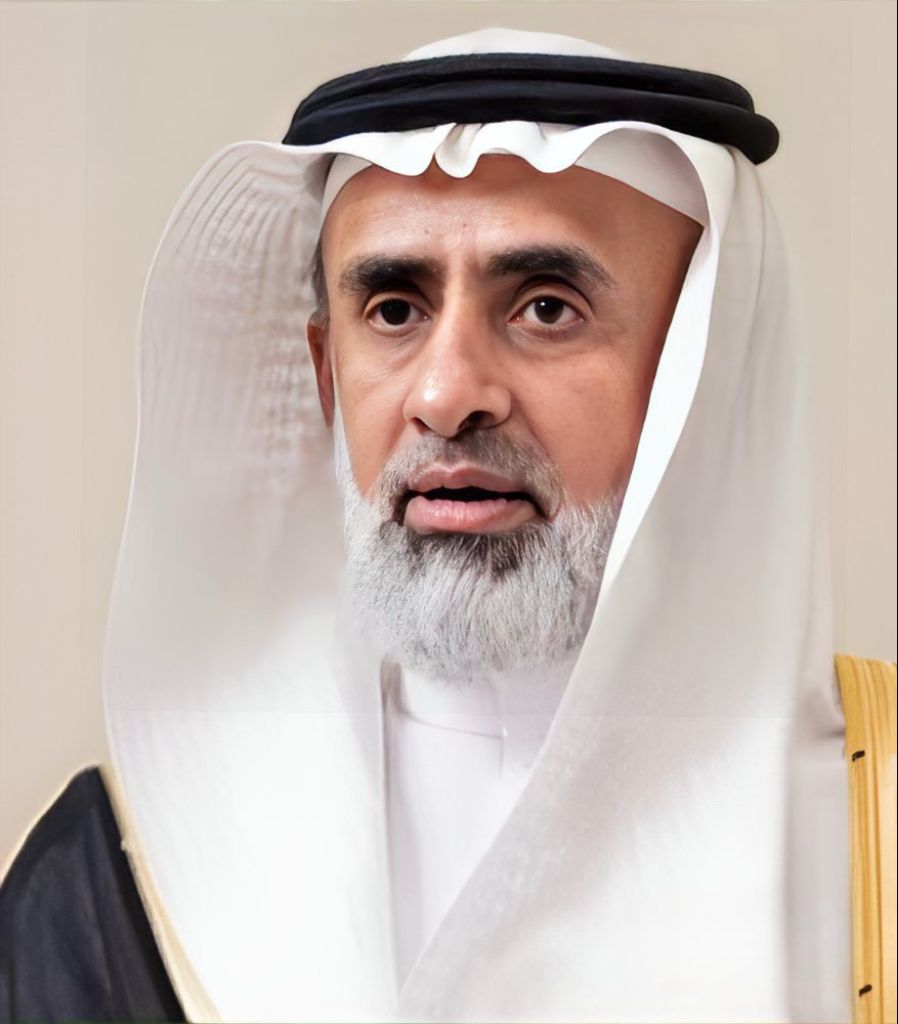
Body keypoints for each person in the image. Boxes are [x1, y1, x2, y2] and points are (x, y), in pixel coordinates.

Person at [1, 26, 894, 1024]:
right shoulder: (107, 894)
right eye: (393, 310)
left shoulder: (878, 826)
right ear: (325, 375)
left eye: (546, 308)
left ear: (707, 365)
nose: (446, 394)